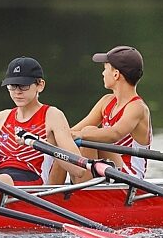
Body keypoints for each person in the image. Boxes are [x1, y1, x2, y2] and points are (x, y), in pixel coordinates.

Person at [0, 56, 90, 186]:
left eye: (23, 86)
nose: (17, 92)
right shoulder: (1, 117)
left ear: (40, 85)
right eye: (12, 86)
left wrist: (40, 143)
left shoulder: (53, 115)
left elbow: (78, 169)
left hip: (32, 178)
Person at [52, 45, 152, 183]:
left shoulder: (137, 107)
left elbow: (114, 134)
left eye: (105, 69)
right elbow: (74, 130)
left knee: (89, 133)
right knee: (62, 143)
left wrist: (81, 134)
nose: (103, 74)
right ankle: (51, 192)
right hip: (108, 169)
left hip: (130, 177)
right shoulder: (106, 101)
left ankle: (83, 190)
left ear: (116, 74)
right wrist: (54, 137)